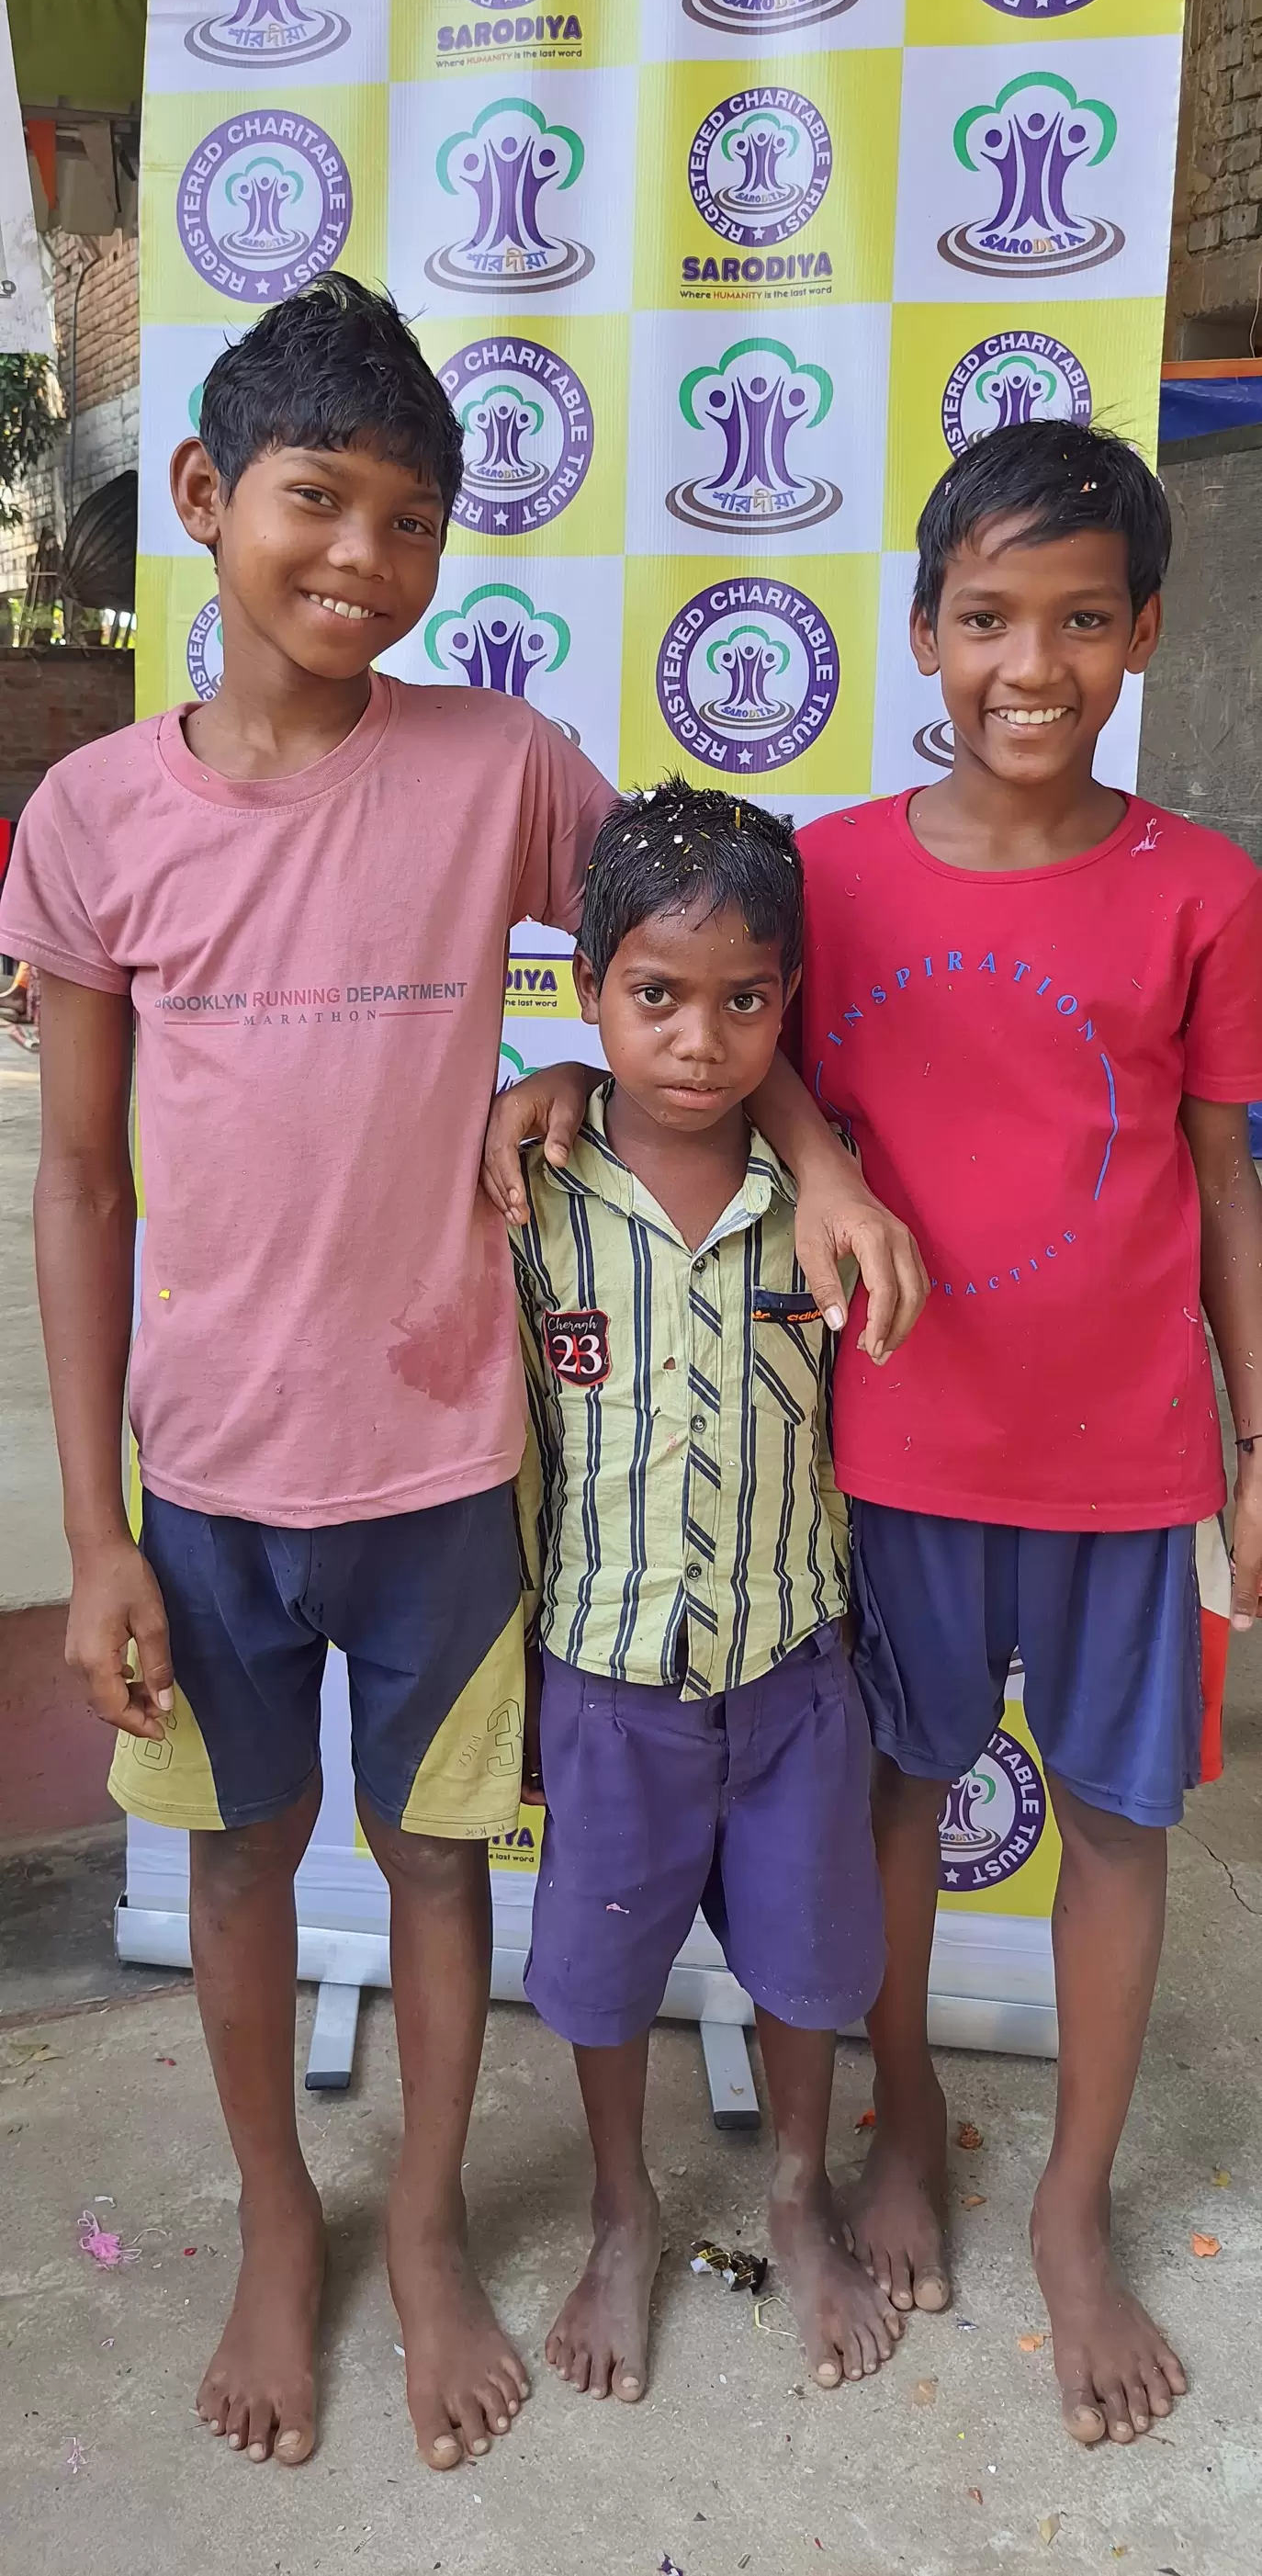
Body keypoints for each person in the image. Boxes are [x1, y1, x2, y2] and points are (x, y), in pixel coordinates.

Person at [0, 275, 923, 2475]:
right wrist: (98, 1535)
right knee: (242, 1864)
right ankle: (279, 2223)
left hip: (445, 1466)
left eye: (414, 523)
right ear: (206, 494)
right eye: (320, 501)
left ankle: (421, 2227)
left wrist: (802, 1156)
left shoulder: (496, 766)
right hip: (209, 1483)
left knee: (434, 1869)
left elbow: (688, 955)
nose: (366, 560)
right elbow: (83, 1186)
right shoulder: (97, 817)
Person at [788, 423, 1262, 2451]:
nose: (1030, 665)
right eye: (987, 618)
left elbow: (1224, 1178)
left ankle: (1073, 2201)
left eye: (1080, 620)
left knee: (1117, 1824)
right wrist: (819, 1161)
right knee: (897, 1798)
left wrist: (1254, 1446)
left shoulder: (1206, 892)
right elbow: (741, 1071)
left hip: (1127, 1462)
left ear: (1143, 632)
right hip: (893, 1453)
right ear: (924, 632)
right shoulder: (828, 872)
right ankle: (902, 2120)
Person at [510, 779, 899, 2408]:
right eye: (656, 996)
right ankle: (622, 2210)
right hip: (604, 1680)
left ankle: (799, 2195)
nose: (697, 1039)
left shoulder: (829, 1194)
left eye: (744, 1001)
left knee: (809, 1965)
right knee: (601, 1972)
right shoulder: (528, 1192)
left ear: (787, 1001)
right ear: (586, 989)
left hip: (794, 1666)